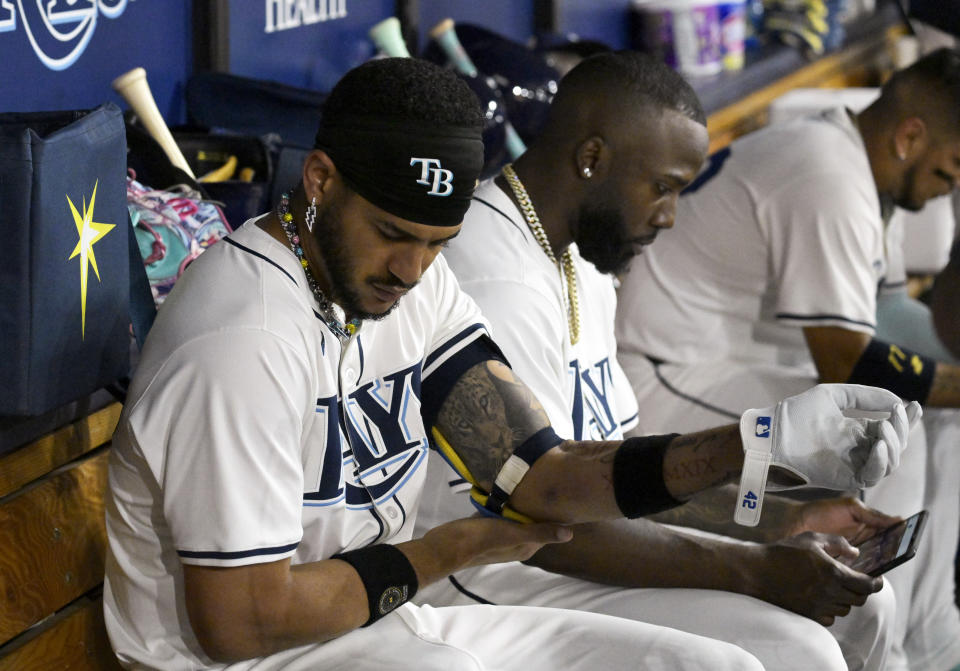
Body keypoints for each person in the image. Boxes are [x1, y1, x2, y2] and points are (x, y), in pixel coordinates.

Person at [104, 57, 913, 671]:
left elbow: (543, 474)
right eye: (391, 231)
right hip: (255, 657)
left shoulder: (411, 288)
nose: (411, 270)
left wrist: (752, 445)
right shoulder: (241, 340)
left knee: (726, 664)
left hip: (378, 616)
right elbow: (241, 618)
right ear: (320, 182)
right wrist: (451, 549)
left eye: (435, 243)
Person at [417, 50, 903, 671]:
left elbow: (624, 476)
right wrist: (755, 567)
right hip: (492, 574)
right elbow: (545, 513)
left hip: (572, 547)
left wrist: (782, 518)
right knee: (795, 648)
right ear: (592, 159)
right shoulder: (494, 278)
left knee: (864, 606)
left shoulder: (579, 259)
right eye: (664, 187)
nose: (670, 215)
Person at [614, 47, 960, 671]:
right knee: (884, 441)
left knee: (939, 420)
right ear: (911, 135)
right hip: (661, 372)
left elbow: (881, 326)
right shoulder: (830, 176)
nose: (950, 187)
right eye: (952, 167)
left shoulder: (844, 154)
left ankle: (931, 640)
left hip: (719, 359)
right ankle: (887, 656)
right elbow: (849, 366)